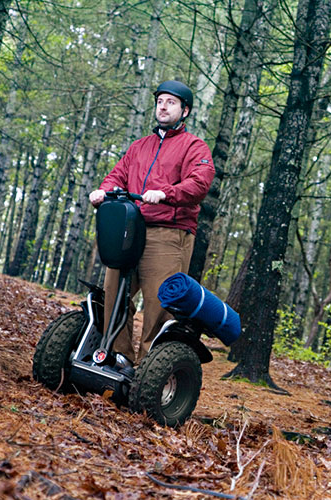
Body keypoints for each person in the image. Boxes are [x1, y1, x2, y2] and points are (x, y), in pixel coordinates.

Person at [89, 80, 215, 367]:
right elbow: (117, 175)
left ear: (185, 111)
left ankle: (149, 369)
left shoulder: (194, 146)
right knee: (114, 292)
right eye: (160, 101)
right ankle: (118, 356)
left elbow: (199, 184)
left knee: (160, 304)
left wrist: (166, 193)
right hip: (131, 230)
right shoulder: (139, 147)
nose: (163, 106)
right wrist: (103, 190)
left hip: (169, 234)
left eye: (171, 102)